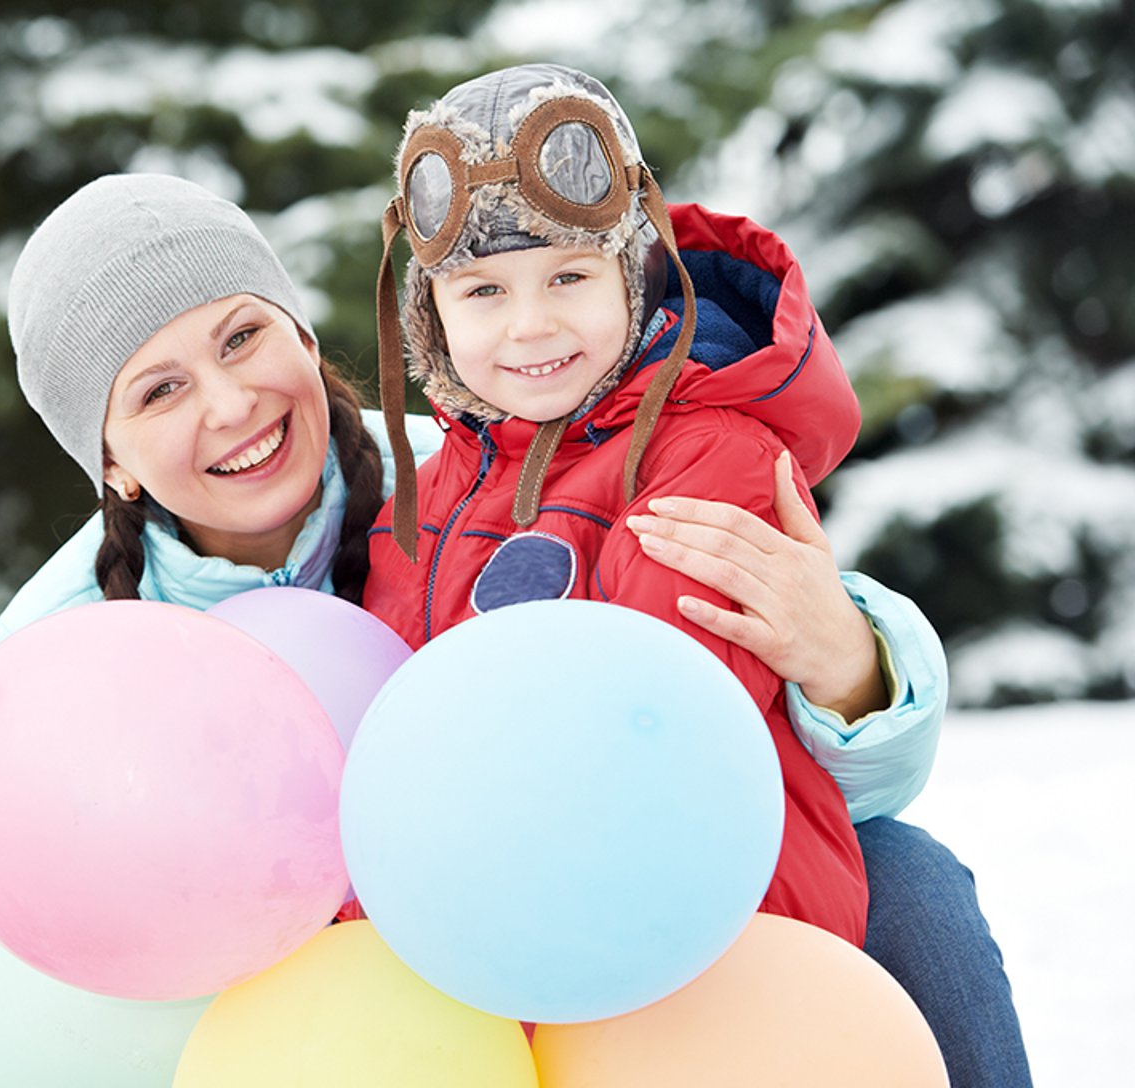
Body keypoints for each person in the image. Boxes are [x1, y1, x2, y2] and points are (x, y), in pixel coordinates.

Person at [0, 170, 1024, 1084]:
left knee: (910, 877)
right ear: (107, 456)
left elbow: (755, 752)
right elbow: (79, 936)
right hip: (302, 991)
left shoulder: (483, 464)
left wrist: (848, 663)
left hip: (575, 882)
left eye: (243, 336)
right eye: (159, 389)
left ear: (302, 335)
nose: (230, 401)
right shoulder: (67, 662)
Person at [367, 63, 1026, 1083]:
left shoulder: (708, 451)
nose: (530, 324)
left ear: (634, 271)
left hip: (721, 936)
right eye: (484, 290)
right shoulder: (419, 505)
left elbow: (666, 719)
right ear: (430, 315)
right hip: (516, 951)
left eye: (569, 277)